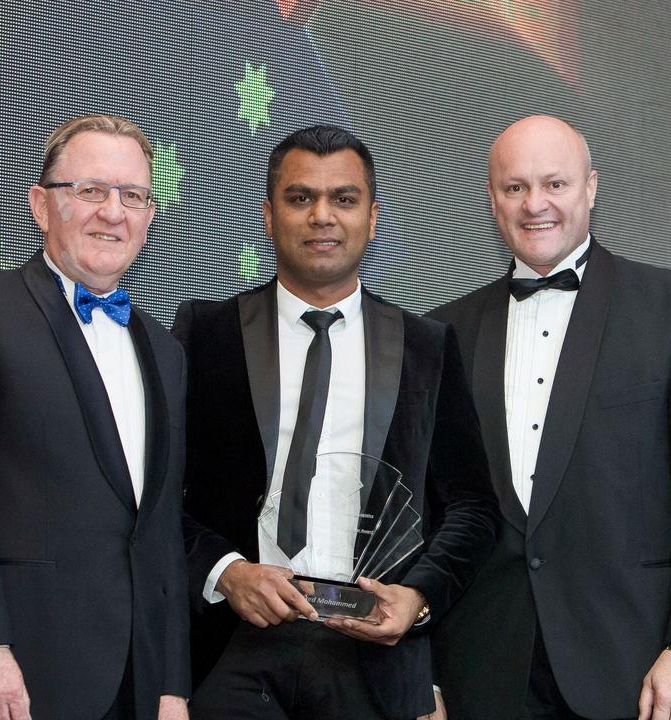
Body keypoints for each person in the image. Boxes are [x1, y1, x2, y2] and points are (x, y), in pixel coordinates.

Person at [428, 115, 671, 720]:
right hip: (481, 673)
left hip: (637, 672)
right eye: (515, 187)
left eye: (555, 184)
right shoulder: (444, 330)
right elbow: (432, 513)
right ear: (491, 196)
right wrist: (420, 675)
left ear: (591, 188)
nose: (535, 205)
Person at [174, 125, 499, 720]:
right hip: (230, 653)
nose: (322, 216)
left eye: (343, 199)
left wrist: (417, 599)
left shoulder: (427, 346)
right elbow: (160, 499)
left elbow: (474, 507)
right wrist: (226, 572)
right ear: (269, 217)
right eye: (301, 198)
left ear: (372, 220)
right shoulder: (205, 333)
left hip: (373, 653)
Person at [0, 114, 190, 720]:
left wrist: (170, 684)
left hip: (135, 689)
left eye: (133, 196)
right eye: (91, 191)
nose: (114, 212)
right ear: (41, 205)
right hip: (15, 680)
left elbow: (158, 534)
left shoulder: (165, 350)